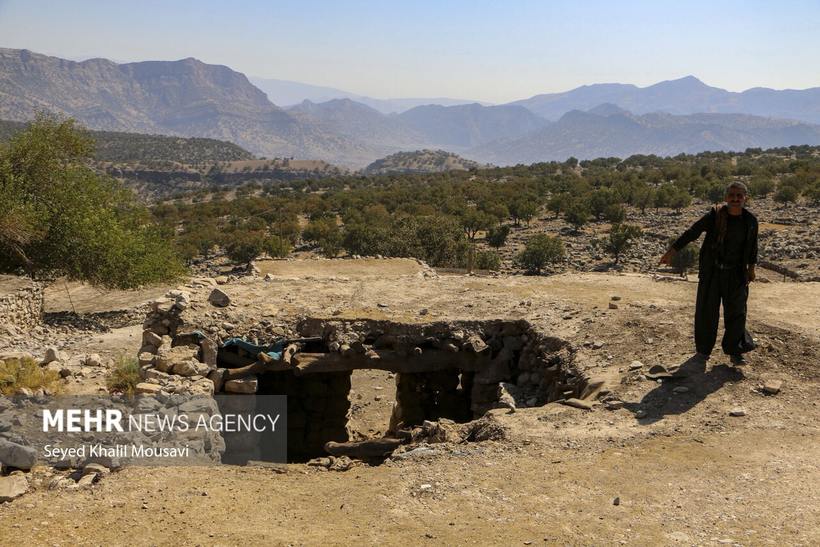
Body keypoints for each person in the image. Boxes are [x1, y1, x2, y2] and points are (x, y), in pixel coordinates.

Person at [660, 181, 758, 366]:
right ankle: (703, 351)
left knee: (737, 313)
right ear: (726, 197)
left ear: (746, 198)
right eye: (732, 195)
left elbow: (753, 247)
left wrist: (751, 269)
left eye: (739, 196)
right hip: (712, 272)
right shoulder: (715, 215)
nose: (735, 199)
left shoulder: (750, 221)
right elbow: (693, 232)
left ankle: (734, 350)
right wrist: (672, 251)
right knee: (706, 312)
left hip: (736, 275)